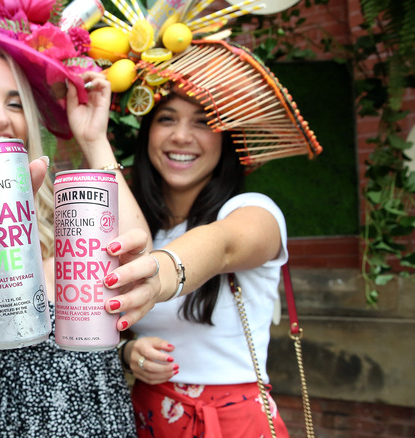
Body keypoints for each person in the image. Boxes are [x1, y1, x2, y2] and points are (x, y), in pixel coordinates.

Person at [0, 44, 149, 437]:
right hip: (8, 423)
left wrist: (94, 140)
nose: (1, 118)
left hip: (103, 417)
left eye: (15, 103)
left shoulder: (65, 213)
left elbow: (133, 251)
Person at [107, 37, 322, 437]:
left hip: (232, 422)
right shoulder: (137, 227)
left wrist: (159, 270)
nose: (182, 137)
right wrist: (128, 352)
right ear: (147, 131)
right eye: (167, 118)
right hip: (146, 418)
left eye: (203, 121)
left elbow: (220, 247)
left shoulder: (253, 211)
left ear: (225, 139)